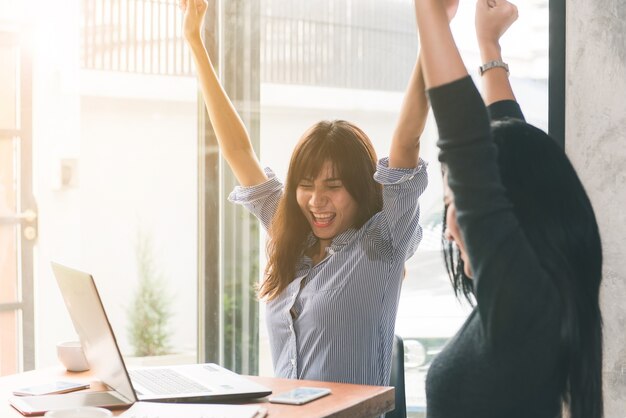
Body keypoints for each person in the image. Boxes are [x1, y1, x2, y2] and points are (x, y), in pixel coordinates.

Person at [181, 0, 429, 386]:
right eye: (306, 186)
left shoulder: (381, 244)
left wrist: (435, 27)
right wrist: (195, 42)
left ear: (361, 189)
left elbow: (407, 140)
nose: (317, 201)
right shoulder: (291, 235)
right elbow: (238, 151)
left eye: (333, 186)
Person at [414, 0, 604, 417]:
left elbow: (471, 148)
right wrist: (488, 47)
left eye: (452, 203)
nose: (448, 230)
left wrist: (429, 12)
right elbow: (512, 146)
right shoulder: (537, 305)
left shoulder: (524, 307)